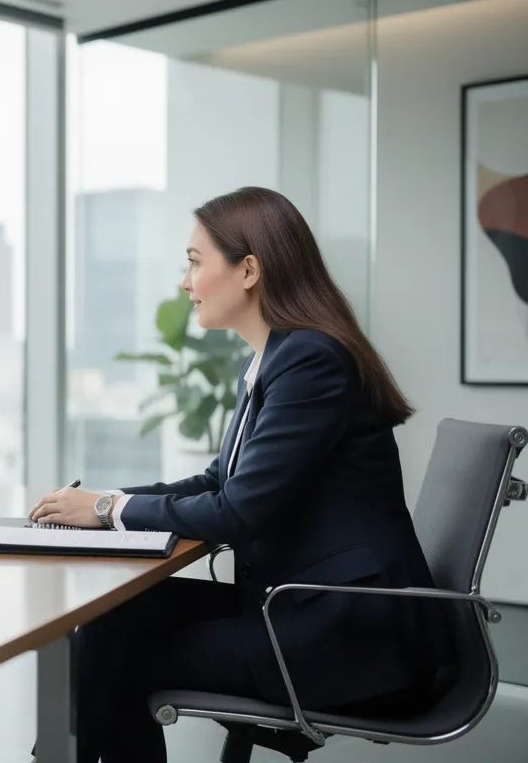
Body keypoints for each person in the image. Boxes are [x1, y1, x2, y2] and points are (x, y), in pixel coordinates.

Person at [29, 186, 452, 762]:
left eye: (195, 262)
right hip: (301, 607)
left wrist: (107, 512)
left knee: (118, 657)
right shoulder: (272, 361)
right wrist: (110, 501)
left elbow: (237, 511)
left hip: (346, 634)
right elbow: (218, 482)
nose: (185, 282)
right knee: (112, 618)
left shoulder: (310, 361)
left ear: (248, 269)